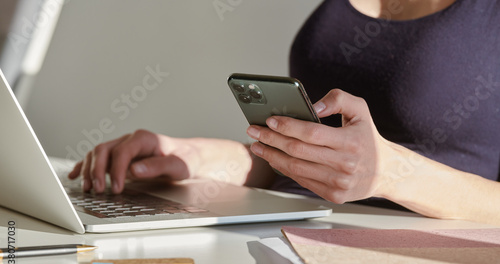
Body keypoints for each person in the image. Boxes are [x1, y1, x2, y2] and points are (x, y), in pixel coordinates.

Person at [69, 0, 500, 224]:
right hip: (293, 234)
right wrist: (194, 157)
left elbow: (367, 167)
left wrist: (390, 173)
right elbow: (307, 162)